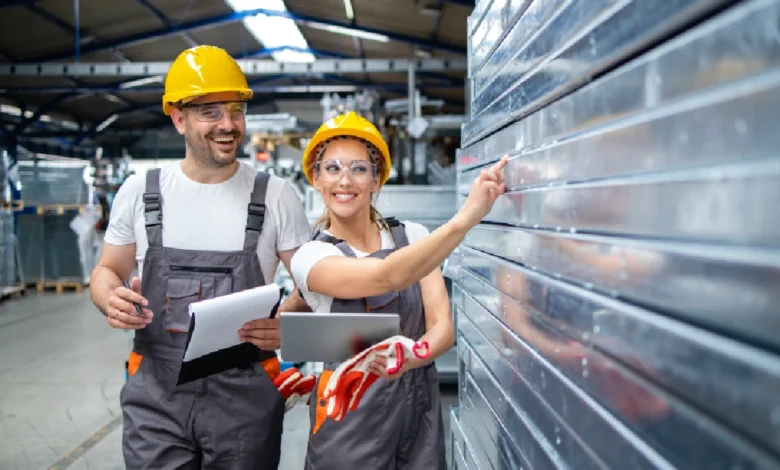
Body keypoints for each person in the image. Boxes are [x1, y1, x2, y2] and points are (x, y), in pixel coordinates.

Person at [89, 45, 312, 469]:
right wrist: (110, 298)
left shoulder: (276, 195)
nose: (228, 125)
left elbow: (312, 281)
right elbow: (107, 271)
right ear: (178, 119)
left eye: (235, 110)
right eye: (210, 112)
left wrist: (287, 319)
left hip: (246, 397)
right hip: (156, 393)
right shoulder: (141, 192)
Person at [289, 111, 508, 469]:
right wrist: (465, 218)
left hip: (418, 407)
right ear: (316, 178)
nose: (345, 180)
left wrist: (409, 359)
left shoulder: (413, 236)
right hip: (349, 411)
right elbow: (385, 277)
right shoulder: (311, 256)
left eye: (359, 168)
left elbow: (442, 328)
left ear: (376, 180)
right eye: (332, 168)